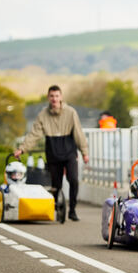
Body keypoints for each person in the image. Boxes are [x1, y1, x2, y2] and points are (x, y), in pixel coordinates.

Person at [14, 85, 89, 221]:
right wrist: (23, 148)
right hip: (53, 152)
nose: (54, 99)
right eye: (52, 96)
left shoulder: (71, 112)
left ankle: (72, 209)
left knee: (73, 179)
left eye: (57, 96)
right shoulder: (43, 115)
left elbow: (78, 133)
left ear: (61, 97)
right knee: (56, 184)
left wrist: (84, 152)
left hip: (69, 151)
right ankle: (57, 207)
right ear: (48, 98)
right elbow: (34, 134)